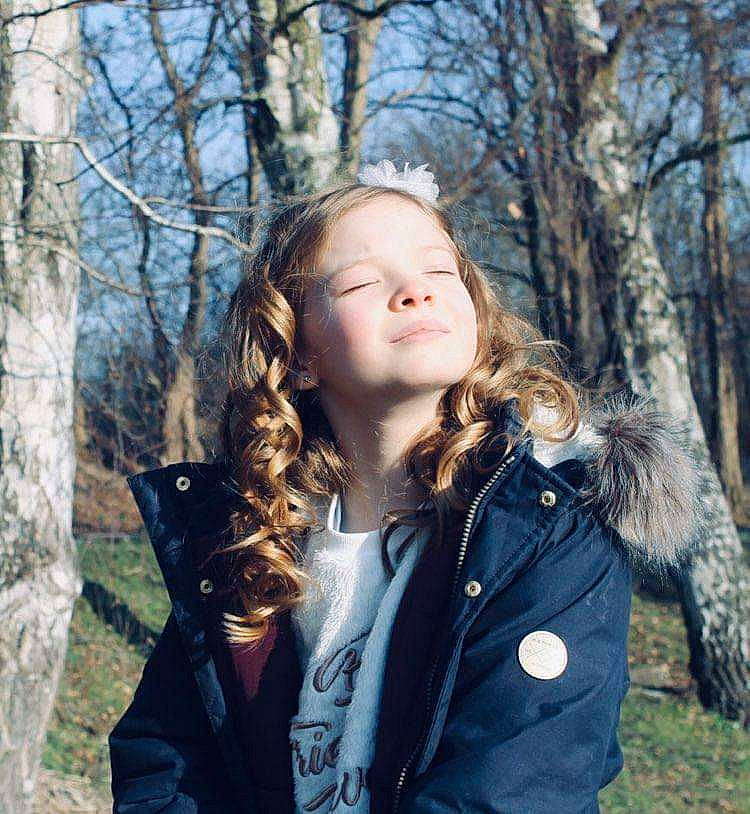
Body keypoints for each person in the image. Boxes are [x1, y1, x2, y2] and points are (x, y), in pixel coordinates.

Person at [109, 159, 706, 813]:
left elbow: (514, 787)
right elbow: (164, 764)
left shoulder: (550, 522)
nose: (414, 291)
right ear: (299, 351)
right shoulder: (250, 540)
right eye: (363, 281)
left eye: (438, 269)